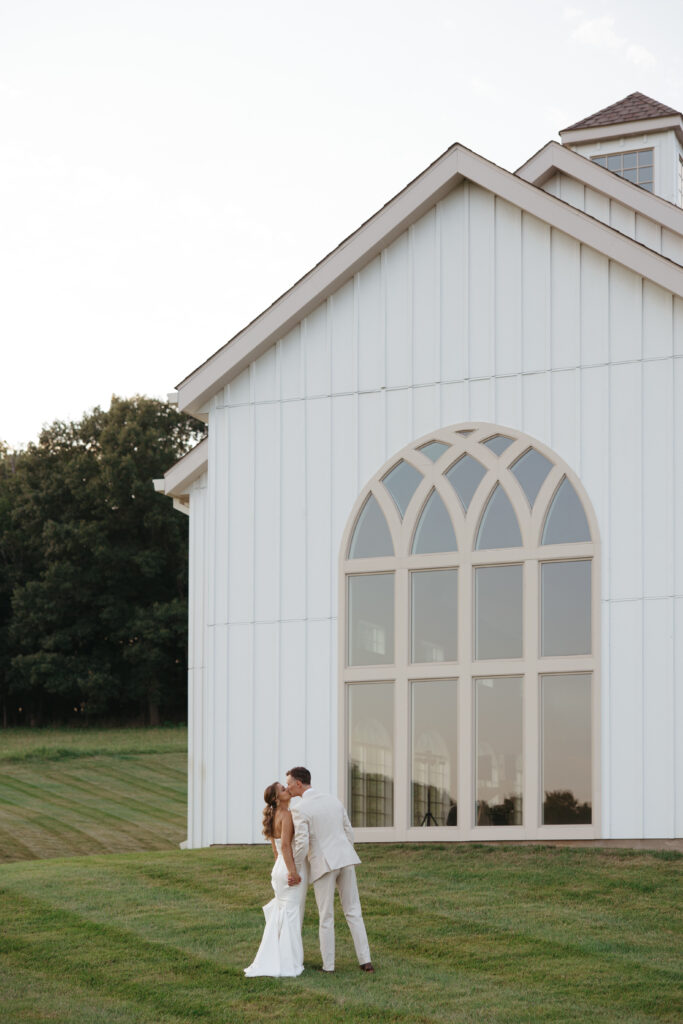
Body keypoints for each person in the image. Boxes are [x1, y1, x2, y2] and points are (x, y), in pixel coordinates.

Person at [286, 766, 374, 974]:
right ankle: (366, 962)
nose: (287, 788)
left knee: (326, 915)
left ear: (299, 783)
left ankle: (329, 966)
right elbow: (348, 831)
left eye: (289, 784)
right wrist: (345, 850)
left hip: (323, 863)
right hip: (345, 858)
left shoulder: (300, 809)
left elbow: (301, 844)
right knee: (354, 911)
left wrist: (296, 870)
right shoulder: (333, 800)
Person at [244, 781, 308, 977]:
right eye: (282, 789)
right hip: (286, 868)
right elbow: (286, 847)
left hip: (277, 868)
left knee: (283, 912)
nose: (286, 789)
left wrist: (280, 869)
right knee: (290, 915)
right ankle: (290, 960)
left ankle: (280, 954)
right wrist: (293, 872)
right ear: (276, 798)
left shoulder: (272, 817)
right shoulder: (286, 815)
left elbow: (276, 850)